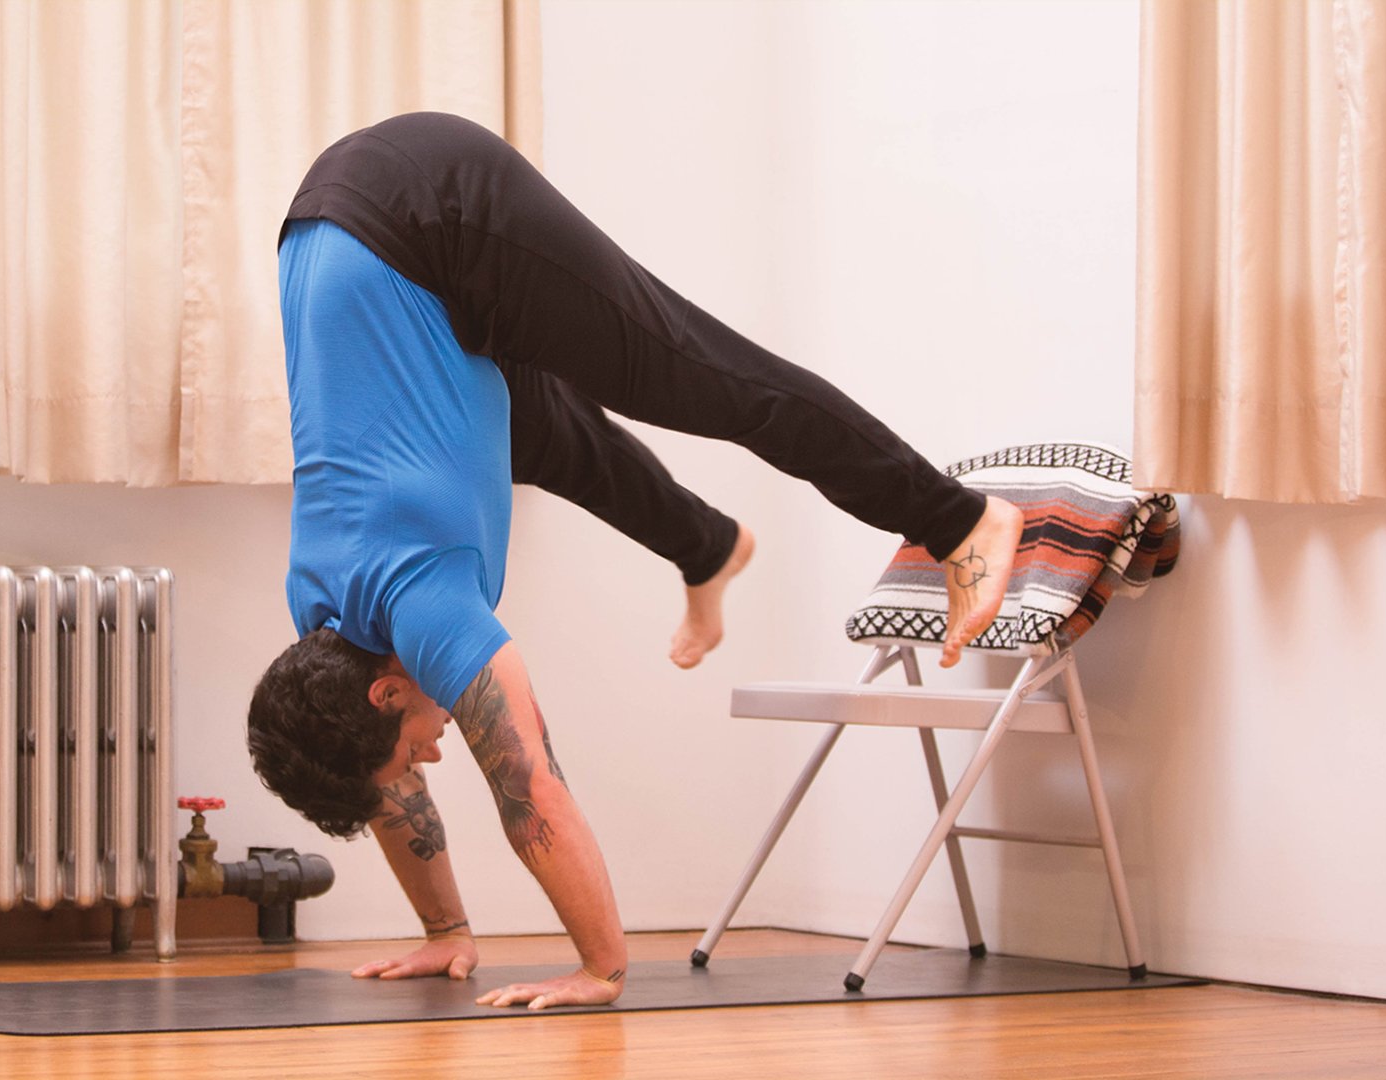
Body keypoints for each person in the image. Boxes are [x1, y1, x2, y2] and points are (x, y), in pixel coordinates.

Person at [247, 112, 1022, 1011]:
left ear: (387, 690)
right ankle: (709, 547)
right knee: (546, 442)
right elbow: (370, 770)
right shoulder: (323, 634)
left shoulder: (420, 602)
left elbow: (528, 785)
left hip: (426, 206)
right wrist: (444, 933)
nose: (432, 759)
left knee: (699, 374)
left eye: (415, 756)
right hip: (342, 241)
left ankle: (955, 518)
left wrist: (600, 968)